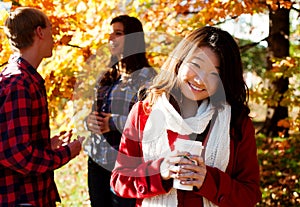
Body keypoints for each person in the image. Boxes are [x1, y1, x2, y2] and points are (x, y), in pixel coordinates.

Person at [110, 26, 262, 207]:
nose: (200, 79)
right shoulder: (144, 112)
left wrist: (208, 181)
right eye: (196, 65)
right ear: (179, 61)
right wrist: (160, 172)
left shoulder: (236, 122)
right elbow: (120, 181)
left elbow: (250, 194)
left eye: (214, 73)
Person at [0, 7, 85, 207]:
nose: (54, 38)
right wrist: (67, 153)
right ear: (40, 32)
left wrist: (46, 146)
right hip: (21, 199)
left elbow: (14, 143)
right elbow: (17, 155)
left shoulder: (24, 79)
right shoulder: (18, 83)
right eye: (51, 30)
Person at [84, 15, 156, 207]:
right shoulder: (107, 76)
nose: (111, 38)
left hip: (127, 165)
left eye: (118, 33)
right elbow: (94, 114)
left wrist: (113, 122)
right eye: (110, 33)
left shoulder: (148, 77)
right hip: (98, 160)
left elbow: (152, 123)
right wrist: (89, 121)